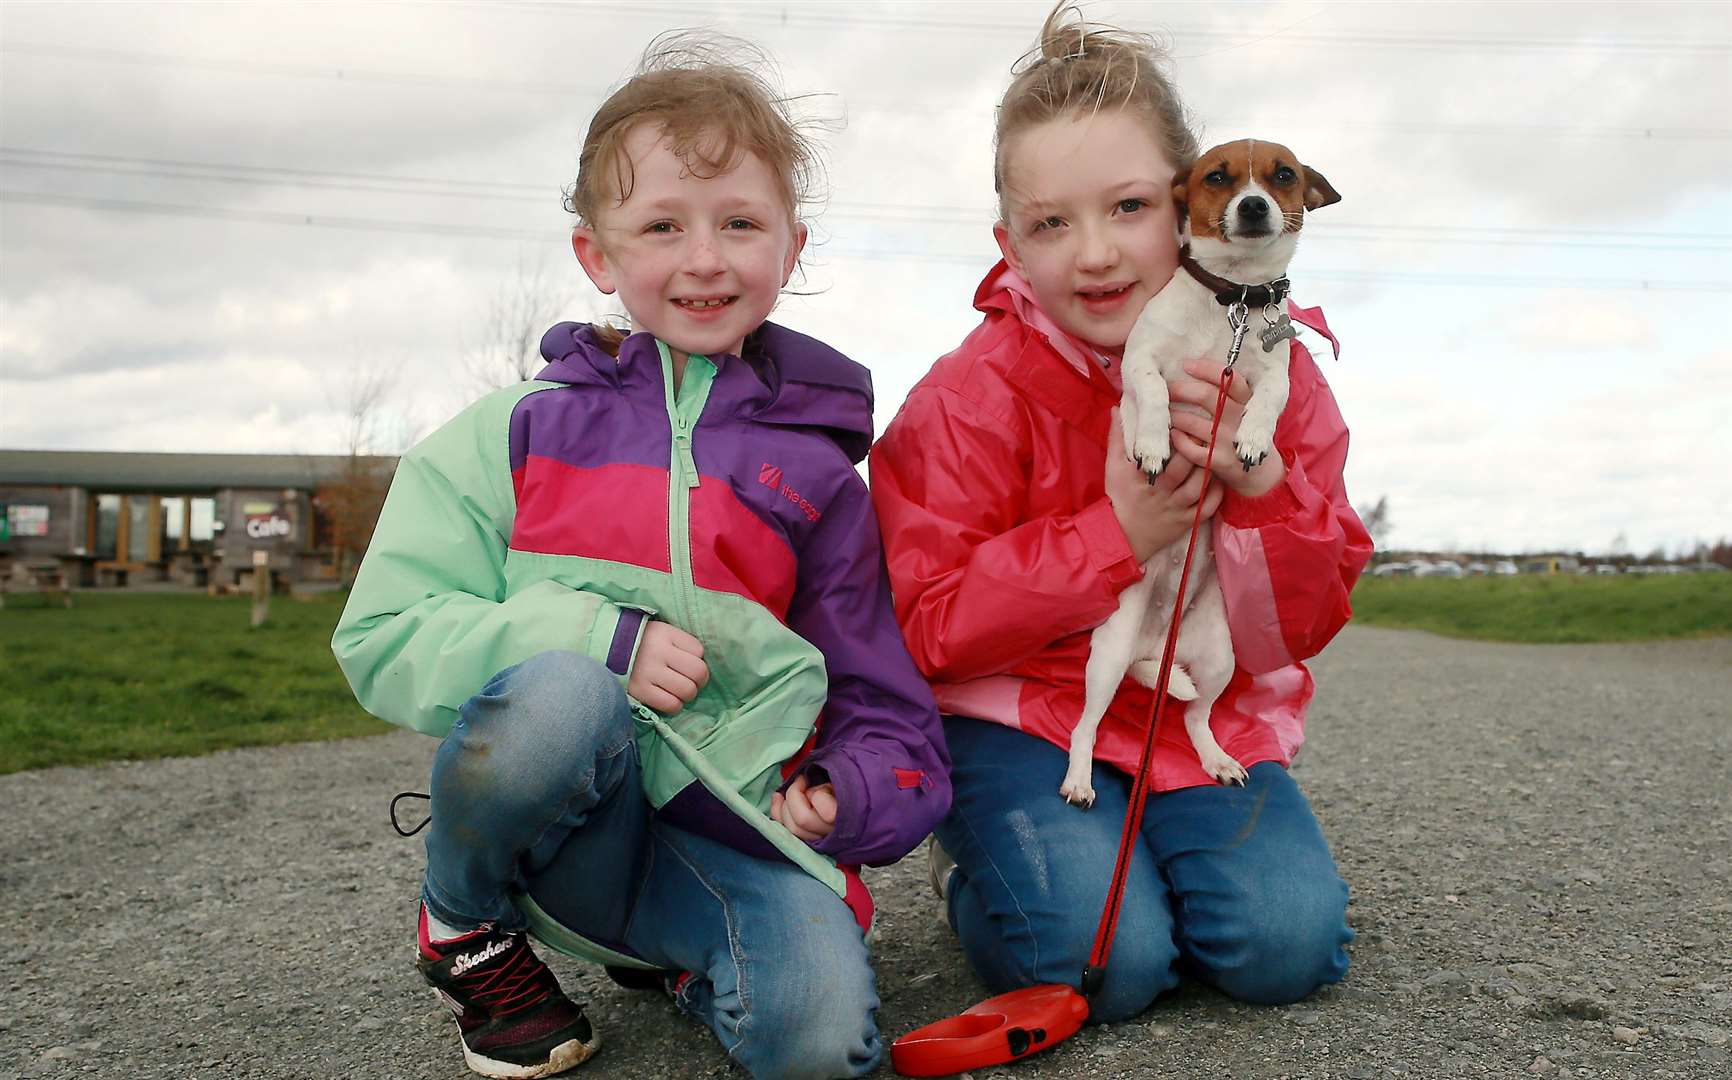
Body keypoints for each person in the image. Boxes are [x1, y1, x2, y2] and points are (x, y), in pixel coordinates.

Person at [332, 34, 949, 1080]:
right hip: (568, 838)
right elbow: (380, 639)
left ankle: (672, 950)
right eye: (662, 225)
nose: (704, 258)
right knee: (564, 696)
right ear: (597, 255)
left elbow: (882, 696)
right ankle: (465, 928)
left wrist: (855, 787)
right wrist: (596, 637)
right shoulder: (512, 435)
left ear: (790, 249)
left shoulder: (823, 480)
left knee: (818, 1045)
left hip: (727, 833)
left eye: (740, 224)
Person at [868, 3, 1372, 1025]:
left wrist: (1263, 485)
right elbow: (923, 624)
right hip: (1019, 720)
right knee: (1108, 963)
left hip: (1190, 711)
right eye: (1051, 223)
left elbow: (1310, 619)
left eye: (1129, 207)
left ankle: (1134, 851)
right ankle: (997, 871)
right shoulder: (966, 397)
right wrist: (1120, 536)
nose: (1093, 254)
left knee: (1283, 947)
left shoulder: (1279, 375)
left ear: (1189, 204)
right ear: (1007, 238)